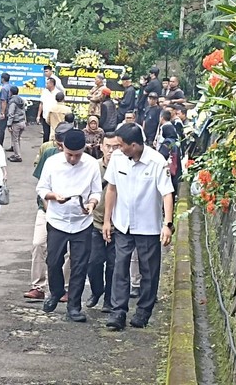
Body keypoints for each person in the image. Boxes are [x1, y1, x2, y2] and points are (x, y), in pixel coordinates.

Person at [103, 123, 175, 330]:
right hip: (123, 224)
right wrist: (107, 220)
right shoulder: (118, 159)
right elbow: (112, 190)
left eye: (120, 145)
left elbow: (167, 193)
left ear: (133, 145)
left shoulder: (156, 162)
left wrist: (167, 224)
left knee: (149, 271)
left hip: (148, 227)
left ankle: (143, 311)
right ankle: (118, 313)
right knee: (120, 268)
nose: (116, 149)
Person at [37, 129, 102, 322]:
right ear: (62, 148)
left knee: (79, 265)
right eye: (69, 155)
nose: (73, 159)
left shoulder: (91, 165)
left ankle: (74, 306)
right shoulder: (52, 163)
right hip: (57, 219)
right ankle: (56, 292)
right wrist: (54, 196)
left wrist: (91, 204)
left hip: (82, 222)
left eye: (77, 155)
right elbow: (41, 188)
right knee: (54, 261)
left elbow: (96, 192)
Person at [24, 122, 73, 301]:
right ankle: (38, 286)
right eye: (58, 145)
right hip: (46, 209)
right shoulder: (49, 154)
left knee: (70, 251)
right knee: (38, 244)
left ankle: (66, 287)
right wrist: (47, 206)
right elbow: (41, 185)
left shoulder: (80, 157)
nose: (60, 149)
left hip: (71, 213)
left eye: (63, 145)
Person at [86, 132, 119, 313]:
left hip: (118, 226)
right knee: (94, 262)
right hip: (95, 223)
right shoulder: (93, 167)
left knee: (114, 265)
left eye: (116, 147)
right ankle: (96, 290)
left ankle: (109, 300)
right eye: (108, 146)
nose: (111, 151)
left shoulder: (125, 168)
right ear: (101, 146)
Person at [7, 86, 26, 163]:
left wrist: (9, 124)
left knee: (15, 140)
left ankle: (18, 156)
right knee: (17, 139)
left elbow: (11, 113)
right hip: (22, 122)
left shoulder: (13, 102)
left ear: (11, 92)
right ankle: (16, 153)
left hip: (16, 123)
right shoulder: (21, 100)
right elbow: (24, 111)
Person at [37, 78, 58, 144]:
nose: (46, 84)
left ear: (51, 84)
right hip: (45, 117)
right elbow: (41, 104)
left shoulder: (58, 93)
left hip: (54, 118)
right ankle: (44, 149)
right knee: (46, 134)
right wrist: (38, 116)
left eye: (47, 83)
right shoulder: (44, 92)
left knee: (53, 135)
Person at [0, 72, 12, 147]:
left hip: (6, 110)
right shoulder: (10, 87)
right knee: (12, 129)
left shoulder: (3, 88)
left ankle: (0, 145)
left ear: (2, 79)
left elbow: (4, 101)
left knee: (1, 129)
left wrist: (2, 112)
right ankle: (13, 146)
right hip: (12, 110)